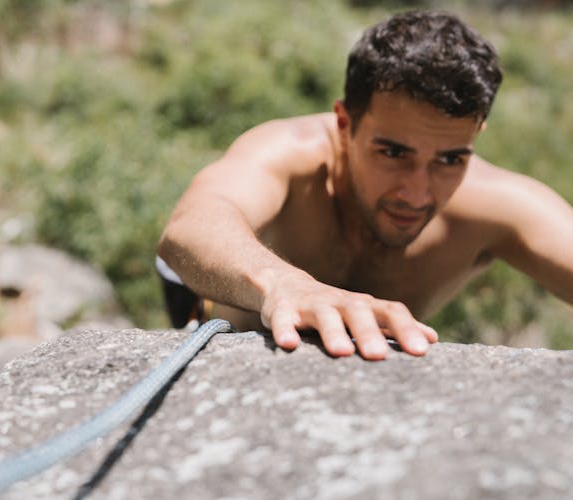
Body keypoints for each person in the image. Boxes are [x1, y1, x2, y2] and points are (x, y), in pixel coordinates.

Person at [156, 10, 573, 360]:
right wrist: (286, 285)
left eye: (450, 159)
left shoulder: (500, 204)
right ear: (343, 124)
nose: (416, 194)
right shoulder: (289, 153)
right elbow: (190, 229)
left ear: (477, 133)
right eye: (392, 153)